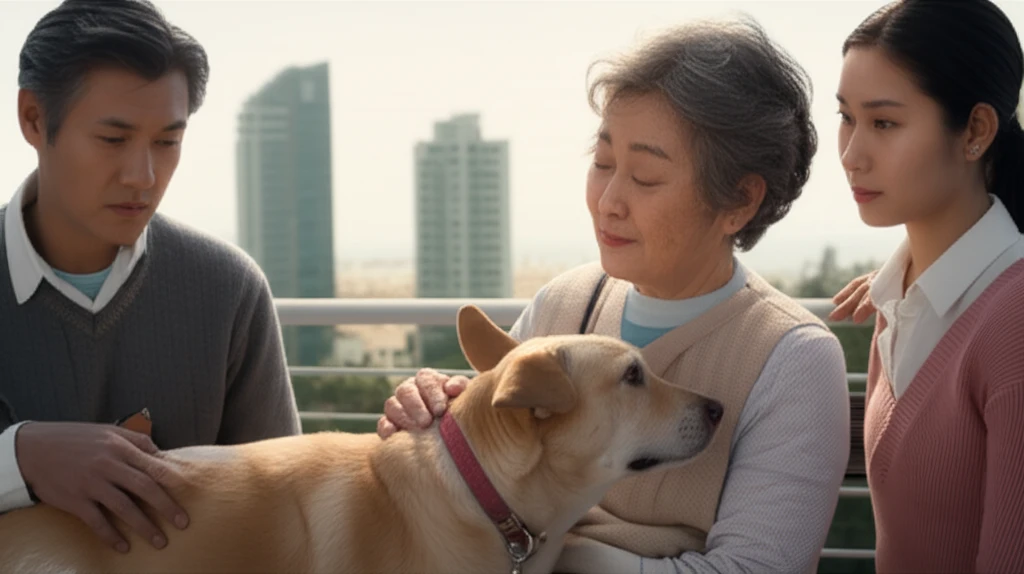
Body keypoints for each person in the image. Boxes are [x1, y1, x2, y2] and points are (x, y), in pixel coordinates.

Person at [379, 17, 851, 574]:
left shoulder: (792, 360)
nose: (608, 200)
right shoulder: (563, 305)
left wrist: (553, 556)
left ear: (740, 201)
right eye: (603, 164)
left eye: (645, 176)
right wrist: (431, 421)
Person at [0, 0, 301, 555]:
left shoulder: (228, 290)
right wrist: (20, 458)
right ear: (34, 119)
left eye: (167, 141)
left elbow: (286, 510)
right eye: (113, 140)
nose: (143, 176)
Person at [829, 0, 1024, 571]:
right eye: (847, 117)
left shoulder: (1013, 323)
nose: (851, 155)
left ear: (977, 131)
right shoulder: (899, 297)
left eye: (884, 123)